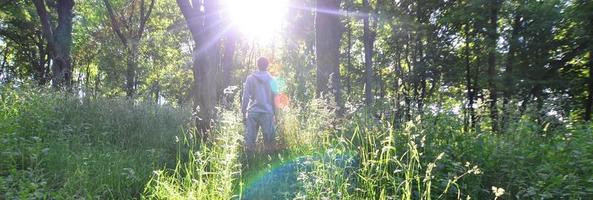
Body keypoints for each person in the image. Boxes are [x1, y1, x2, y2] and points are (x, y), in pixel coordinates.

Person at [241, 57, 277, 155]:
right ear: (267, 65)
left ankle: (249, 162)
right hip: (267, 112)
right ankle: (268, 162)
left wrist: (243, 112)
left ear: (257, 65)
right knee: (269, 141)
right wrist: (276, 114)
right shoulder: (272, 80)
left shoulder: (250, 78)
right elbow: (275, 99)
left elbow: (245, 97)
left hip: (253, 112)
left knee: (250, 141)